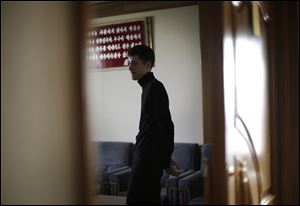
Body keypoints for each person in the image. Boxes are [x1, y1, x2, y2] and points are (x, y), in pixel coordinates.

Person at [126, 45, 179, 205]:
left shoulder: (155, 87)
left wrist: (166, 160)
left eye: (134, 63)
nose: (129, 67)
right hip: (144, 154)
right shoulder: (148, 87)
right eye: (129, 63)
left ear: (147, 65)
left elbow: (166, 126)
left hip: (148, 158)